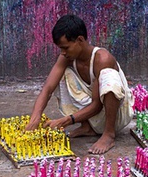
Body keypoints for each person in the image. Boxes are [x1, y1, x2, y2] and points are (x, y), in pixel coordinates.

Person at [25, 14, 134, 154]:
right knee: (62, 75)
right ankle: (87, 126)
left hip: (115, 115)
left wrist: (66, 121)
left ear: (80, 40)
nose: (63, 53)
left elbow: (97, 105)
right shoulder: (67, 57)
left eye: (66, 48)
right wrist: (35, 117)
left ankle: (108, 134)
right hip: (94, 115)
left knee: (109, 77)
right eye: (61, 49)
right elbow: (48, 88)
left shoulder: (102, 59)